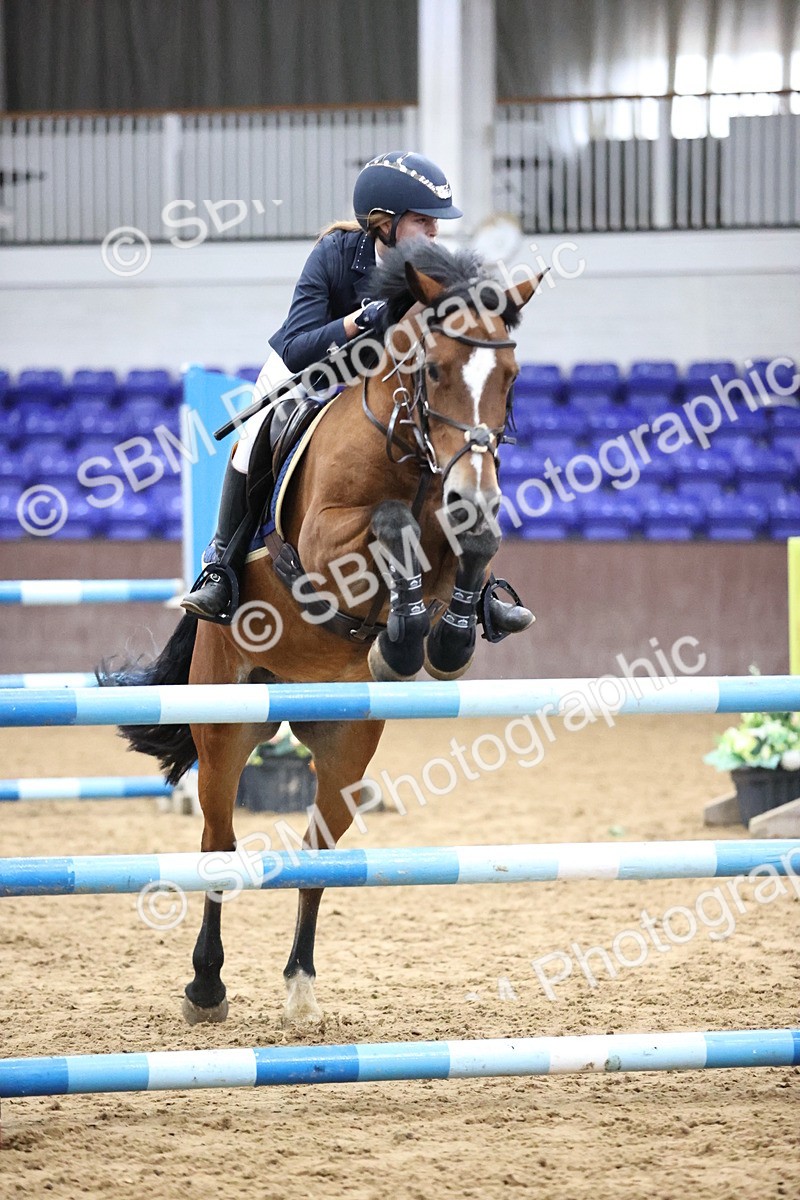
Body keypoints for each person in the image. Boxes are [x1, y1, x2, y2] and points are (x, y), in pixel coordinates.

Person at [182, 151, 532, 643]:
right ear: (383, 223)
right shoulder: (336, 254)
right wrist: (361, 320)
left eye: (436, 224)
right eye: (422, 222)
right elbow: (297, 344)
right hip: (311, 371)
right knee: (252, 439)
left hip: (385, 385)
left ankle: (480, 589)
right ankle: (221, 566)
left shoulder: (439, 270)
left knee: (453, 438)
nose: (433, 233)